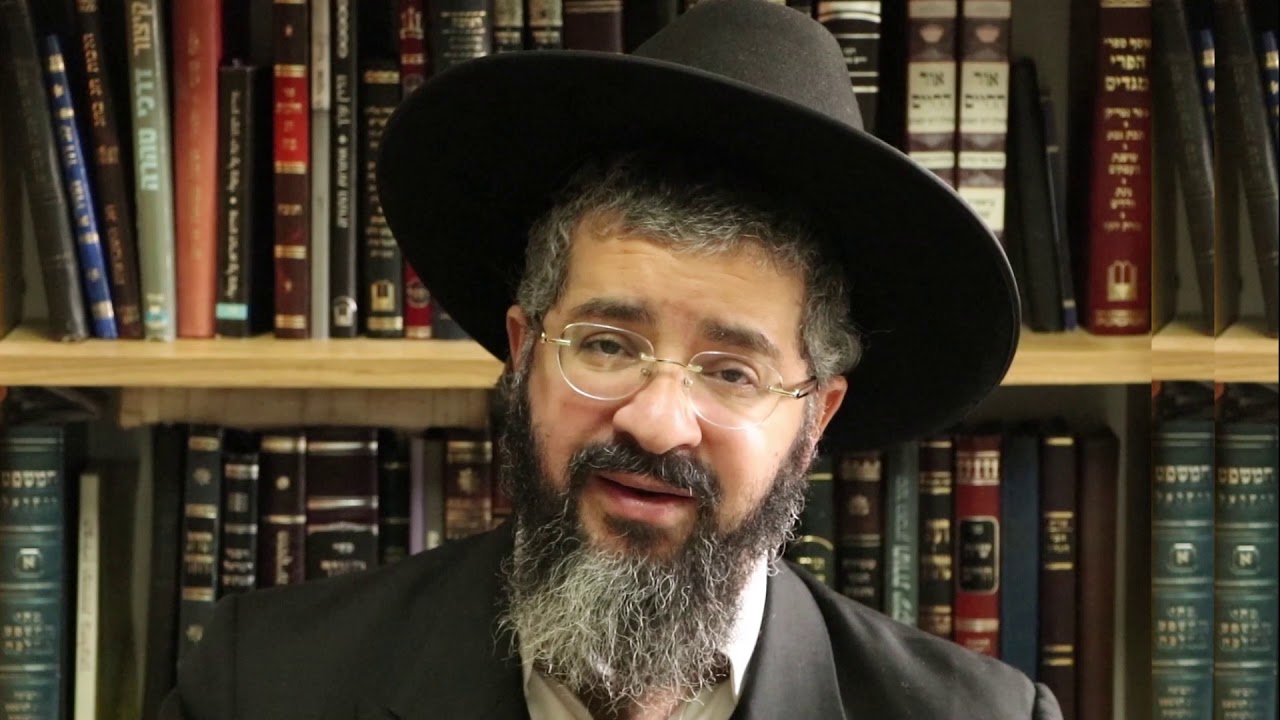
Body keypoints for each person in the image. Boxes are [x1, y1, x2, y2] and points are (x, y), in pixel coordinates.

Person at [161, 0, 1063, 717]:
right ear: (523, 354)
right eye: (606, 344)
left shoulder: (982, 716)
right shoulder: (262, 684)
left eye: (732, 372)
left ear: (815, 416)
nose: (657, 422)